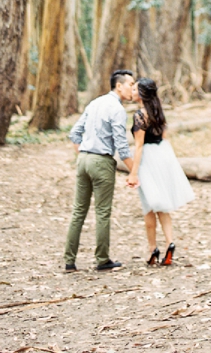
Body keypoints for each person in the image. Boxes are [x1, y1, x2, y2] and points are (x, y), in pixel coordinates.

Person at [65, 69, 140, 272]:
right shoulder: (117, 109)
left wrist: (83, 153)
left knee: (78, 211)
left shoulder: (95, 103)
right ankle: (102, 259)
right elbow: (122, 147)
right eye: (130, 84)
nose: (133, 88)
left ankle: (69, 260)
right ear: (119, 86)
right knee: (102, 212)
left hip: (83, 160)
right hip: (101, 162)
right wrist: (134, 173)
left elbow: (74, 133)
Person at [128, 77, 194, 265]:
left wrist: (133, 171)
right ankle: (170, 243)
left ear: (141, 95)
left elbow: (138, 146)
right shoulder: (158, 112)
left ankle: (152, 249)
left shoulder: (140, 115)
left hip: (148, 160)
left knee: (148, 206)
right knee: (163, 206)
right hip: (163, 156)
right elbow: (164, 137)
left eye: (134, 90)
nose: (132, 92)